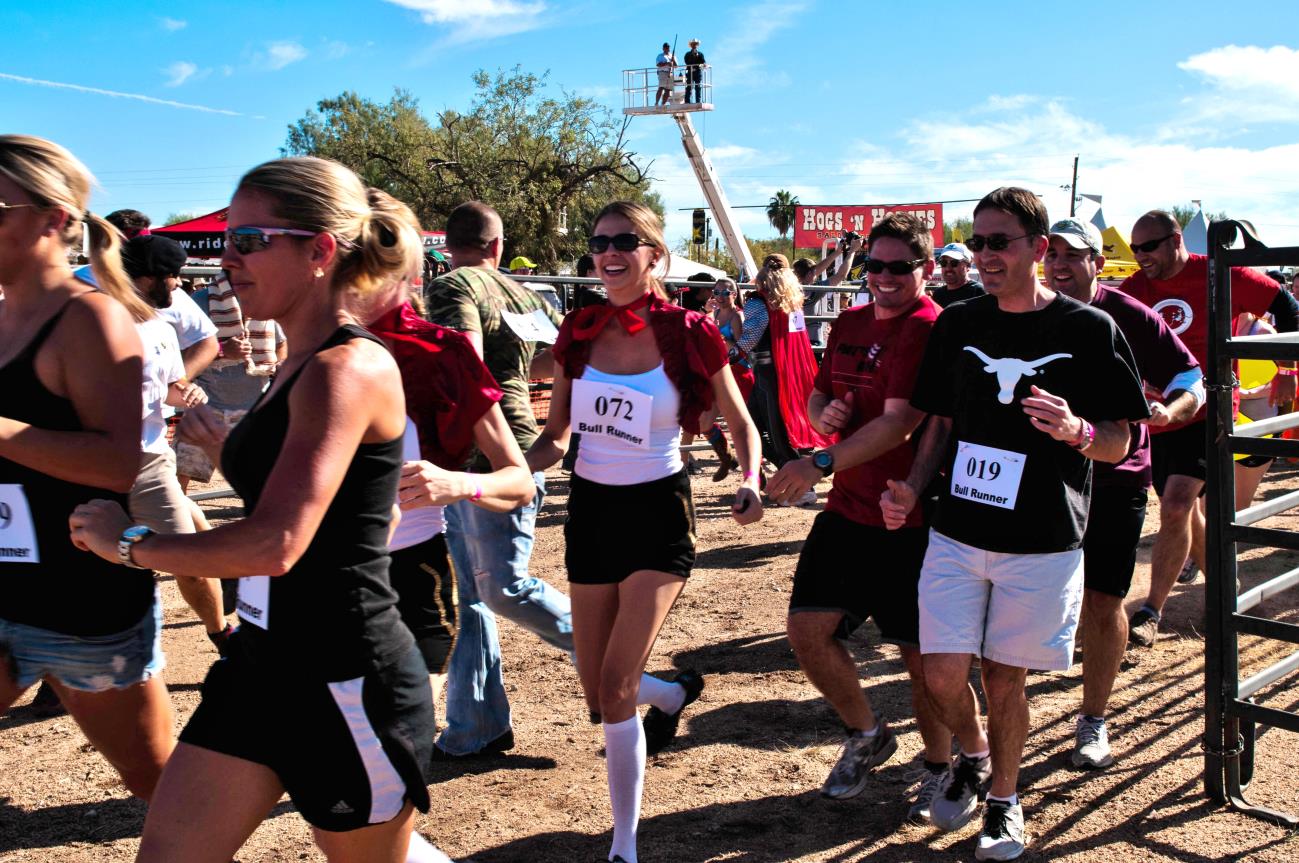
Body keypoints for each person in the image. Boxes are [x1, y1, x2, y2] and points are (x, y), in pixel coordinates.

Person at [70, 156, 448, 863]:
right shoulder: (297, 365)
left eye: (250, 240)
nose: (228, 261)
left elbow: (277, 543)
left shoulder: (348, 366)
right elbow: (349, 511)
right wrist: (231, 449)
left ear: (319, 250)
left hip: (344, 678)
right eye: (230, 239)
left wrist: (130, 544)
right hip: (260, 664)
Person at [880, 187, 1149, 861]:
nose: (984, 255)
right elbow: (937, 420)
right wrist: (912, 487)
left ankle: (1002, 799)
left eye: (998, 241)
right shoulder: (957, 322)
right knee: (940, 673)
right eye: (976, 243)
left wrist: (1077, 430)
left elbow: (1121, 439)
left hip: (1041, 542)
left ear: (1039, 248)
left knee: (1005, 679)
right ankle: (971, 752)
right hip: (957, 530)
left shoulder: (1089, 331)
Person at [527, 200, 763, 863]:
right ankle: (676, 692)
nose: (608, 251)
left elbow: (740, 423)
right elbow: (554, 437)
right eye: (599, 241)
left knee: (614, 688)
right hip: (592, 512)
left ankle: (624, 845)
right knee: (594, 686)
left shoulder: (688, 331)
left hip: (658, 510)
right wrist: (504, 472)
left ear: (654, 253)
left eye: (624, 240)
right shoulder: (578, 329)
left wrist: (748, 476)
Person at [0, 134, 172, 800]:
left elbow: (115, 464)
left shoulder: (90, 318)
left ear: (53, 220)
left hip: (78, 605)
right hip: (7, 585)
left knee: (154, 781)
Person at [768, 212, 953, 821]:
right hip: (850, 511)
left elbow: (901, 421)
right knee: (807, 631)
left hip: (911, 519)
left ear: (925, 268)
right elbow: (821, 392)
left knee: (919, 660)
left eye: (901, 267)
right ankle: (868, 733)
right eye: (875, 265)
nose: (886, 277)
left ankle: (938, 766)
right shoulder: (848, 320)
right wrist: (823, 414)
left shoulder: (928, 328)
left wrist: (818, 461)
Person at [359, 191, 535, 709]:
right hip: (310, 590)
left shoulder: (436, 350)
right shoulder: (302, 351)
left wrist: (459, 483)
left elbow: (517, 479)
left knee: (387, 764)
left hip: (409, 571)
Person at [1042, 217, 1201, 770]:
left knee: (1104, 599)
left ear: (1099, 263)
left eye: (1073, 254)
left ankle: (1093, 717)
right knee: (1029, 594)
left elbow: (1189, 375)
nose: (1059, 264)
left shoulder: (1131, 315)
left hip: (1117, 476)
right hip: (1041, 477)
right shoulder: (1026, 311)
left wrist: (1170, 410)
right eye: (1052, 253)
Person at [422, 201, 569, 758]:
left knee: (500, 588)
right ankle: (474, 725)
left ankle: (613, 655)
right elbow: (554, 365)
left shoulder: (452, 288)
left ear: (449, 246)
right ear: (498, 246)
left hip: (482, 456)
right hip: (522, 444)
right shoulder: (525, 294)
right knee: (477, 593)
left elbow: (462, 366)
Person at [1119, 209, 1297, 646]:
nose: (1141, 256)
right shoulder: (1135, 288)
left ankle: (1151, 610)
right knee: (1186, 510)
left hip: (1209, 409)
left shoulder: (1217, 275)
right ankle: (1226, 588)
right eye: (1135, 247)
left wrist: (1288, 366)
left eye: (1149, 246)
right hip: (1158, 419)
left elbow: (1286, 308)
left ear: (1176, 239)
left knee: (1177, 505)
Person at [119, 233, 235, 654]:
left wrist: (186, 394)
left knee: (185, 557)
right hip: (96, 458)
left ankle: (220, 632)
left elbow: (169, 383)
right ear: (146, 278)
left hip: (148, 459)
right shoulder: (91, 314)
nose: (179, 285)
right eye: (171, 277)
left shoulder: (160, 322)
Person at [738, 254, 832, 503]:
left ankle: (801, 486)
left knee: (768, 430)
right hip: (781, 369)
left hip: (766, 370)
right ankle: (791, 479)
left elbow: (752, 334)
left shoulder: (758, 301)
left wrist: (732, 352)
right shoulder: (792, 301)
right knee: (760, 428)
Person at [702, 277, 752, 481]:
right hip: (718, 373)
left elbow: (741, 350)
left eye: (725, 292)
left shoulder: (737, 316)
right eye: (717, 292)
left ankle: (754, 475)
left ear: (734, 293)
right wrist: (706, 315)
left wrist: (720, 338)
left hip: (738, 373)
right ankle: (726, 458)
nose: (720, 297)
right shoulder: (712, 314)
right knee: (704, 422)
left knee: (741, 426)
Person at [931, 242, 985, 308]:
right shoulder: (938, 295)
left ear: (968, 265)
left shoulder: (979, 293)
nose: (948, 268)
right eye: (944, 263)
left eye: (954, 263)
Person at [683, 38, 705, 104]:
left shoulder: (700, 54)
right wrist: (692, 56)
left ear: (697, 45)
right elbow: (687, 62)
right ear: (691, 45)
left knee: (698, 86)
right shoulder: (687, 54)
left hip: (697, 72)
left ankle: (698, 101)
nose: (694, 45)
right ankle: (687, 101)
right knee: (689, 86)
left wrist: (700, 64)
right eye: (693, 44)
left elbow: (703, 62)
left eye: (695, 44)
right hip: (690, 72)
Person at [654, 42, 676, 106]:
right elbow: (658, 64)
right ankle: (656, 103)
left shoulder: (672, 56)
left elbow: (676, 65)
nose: (667, 48)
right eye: (666, 47)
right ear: (663, 48)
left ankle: (663, 103)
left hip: (670, 73)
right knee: (661, 87)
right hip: (663, 72)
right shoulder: (660, 56)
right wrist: (667, 63)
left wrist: (673, 60)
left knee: (668, 90)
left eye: (668, 47)